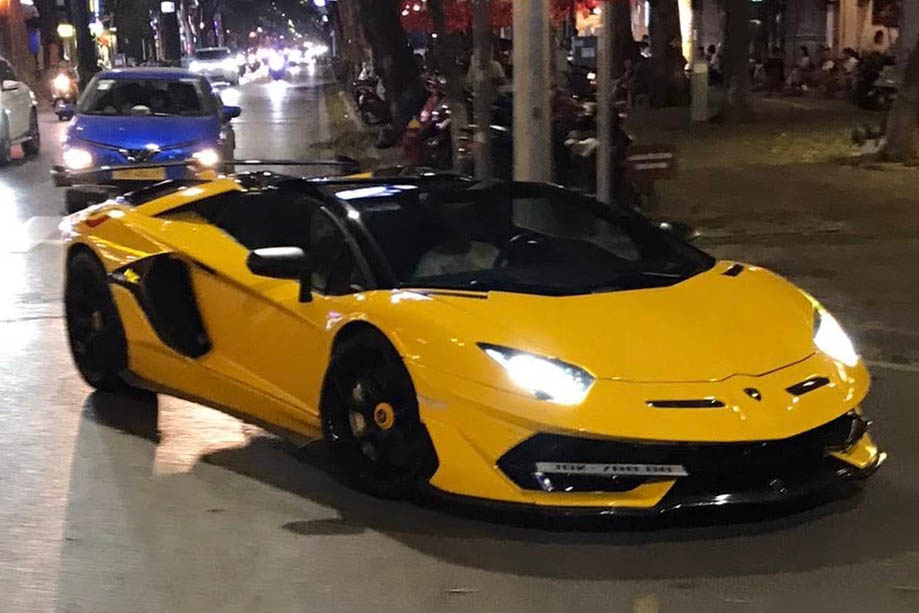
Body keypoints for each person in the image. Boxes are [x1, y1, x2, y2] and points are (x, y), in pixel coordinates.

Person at [414, 202, 498, 278]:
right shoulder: (430, 263)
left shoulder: (489, 251)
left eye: (467, 218)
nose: (464, 224)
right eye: (458, 219)